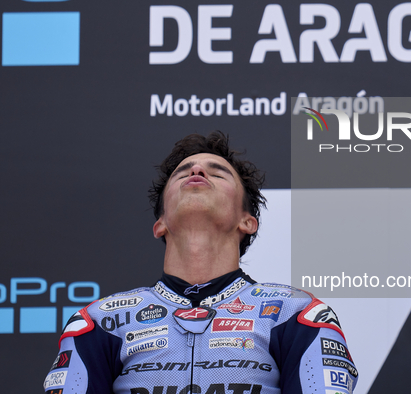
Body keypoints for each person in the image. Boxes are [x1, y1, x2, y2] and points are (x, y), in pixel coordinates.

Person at [44, 131, 358, 394]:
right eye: (184, 172)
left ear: (248, 221)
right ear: (160, 223)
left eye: (217, 172)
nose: (197, 172)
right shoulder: (100, 321)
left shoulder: (296, 313)